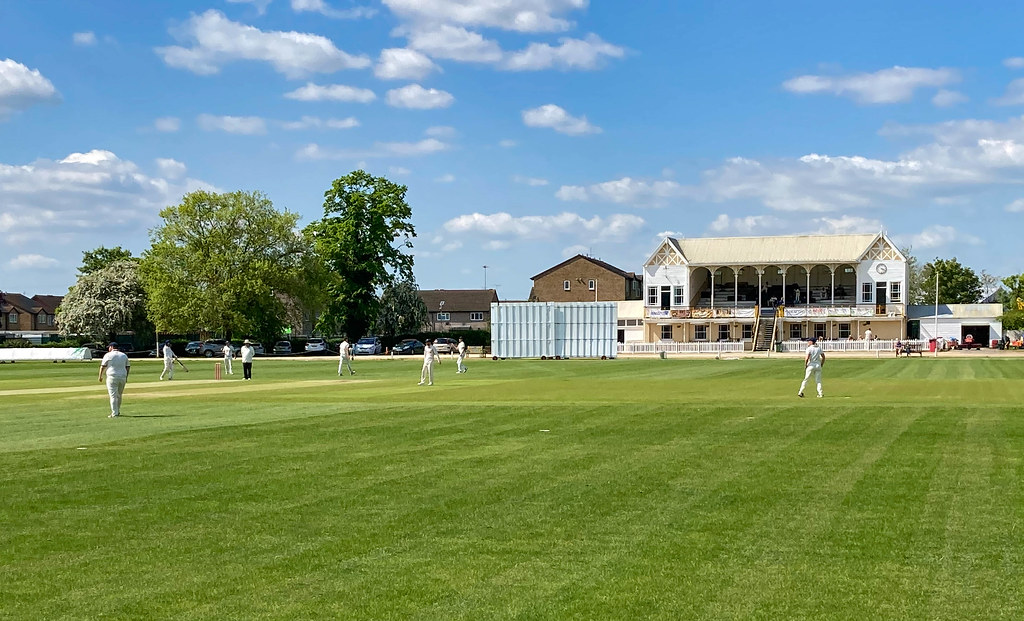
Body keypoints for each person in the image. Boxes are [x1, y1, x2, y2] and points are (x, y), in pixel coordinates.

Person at [98, 342, 131, 417]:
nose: (108, 348)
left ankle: (114, 413)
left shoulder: (108, 355)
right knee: (119, 395)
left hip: (112, 377)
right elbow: (128, 367)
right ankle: (117, 411)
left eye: (109, 347)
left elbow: (103, 366)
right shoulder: (123, 355)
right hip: (122, 377)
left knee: (113, 396)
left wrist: (100, 376)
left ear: (112, 347)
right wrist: (126, 376)